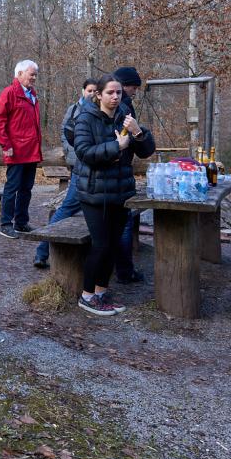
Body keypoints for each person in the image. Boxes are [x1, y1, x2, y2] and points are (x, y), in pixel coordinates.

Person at [73, 74, 155, 315]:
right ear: (99, 95)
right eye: (110, 92)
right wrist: (116, 147)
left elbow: (146, 152)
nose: (115, 97)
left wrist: (138, 133)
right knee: (100, 245)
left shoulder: (125, 116)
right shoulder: (85, 118)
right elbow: (84, 152)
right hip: (94, 193)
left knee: (113, 245)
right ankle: (87, 296)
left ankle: (100, 292)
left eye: (118, 92)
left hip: (121, 192)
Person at [33, 78, 98, 268]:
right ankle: (42, 251)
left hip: (91, 168)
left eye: (95, 91)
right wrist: (71, 152)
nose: (92, 94)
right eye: (89, 90)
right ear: (83, 90)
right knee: (68, 208)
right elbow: (65, 132)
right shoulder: (75, 109)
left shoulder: (100, 109)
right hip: (80, 166)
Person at [0, 60, 43, 239]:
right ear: (19, 74)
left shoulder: (32, 94)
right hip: (16, 151)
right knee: (12, 188)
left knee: (26, 189)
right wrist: (6, 145)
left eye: (35, 75)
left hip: (32, 151)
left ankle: (21, 222)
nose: (34, 78)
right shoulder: (10, 93)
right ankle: (6, 224)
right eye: (31, 74)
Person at [113, 65, 145, 283]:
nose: (135, 91)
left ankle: (122, 269)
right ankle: (124, 271)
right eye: (133, 87)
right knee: (123, 222)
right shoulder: (123, 107)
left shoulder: (122, 104)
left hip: (118, 172)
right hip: (118, 172)